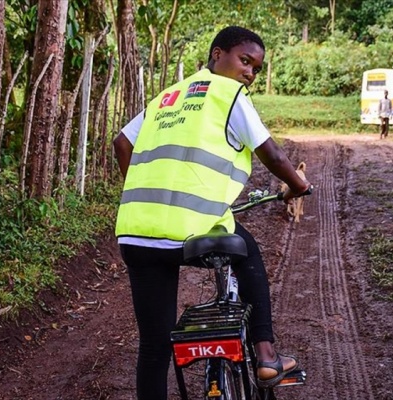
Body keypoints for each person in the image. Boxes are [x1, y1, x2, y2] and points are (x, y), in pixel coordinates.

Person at [113, 26, 311, 400]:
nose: (249, 72)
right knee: (247, 251)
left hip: (137, 231)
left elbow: (122, 142)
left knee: (154, 347)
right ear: (217, 54)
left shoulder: (169, 96)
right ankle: (266, 354)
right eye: (245, 60)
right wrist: (299, 186)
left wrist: (140, 190)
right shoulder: (227, 94)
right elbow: (273, 154)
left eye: (255, 67)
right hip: (190, 230)